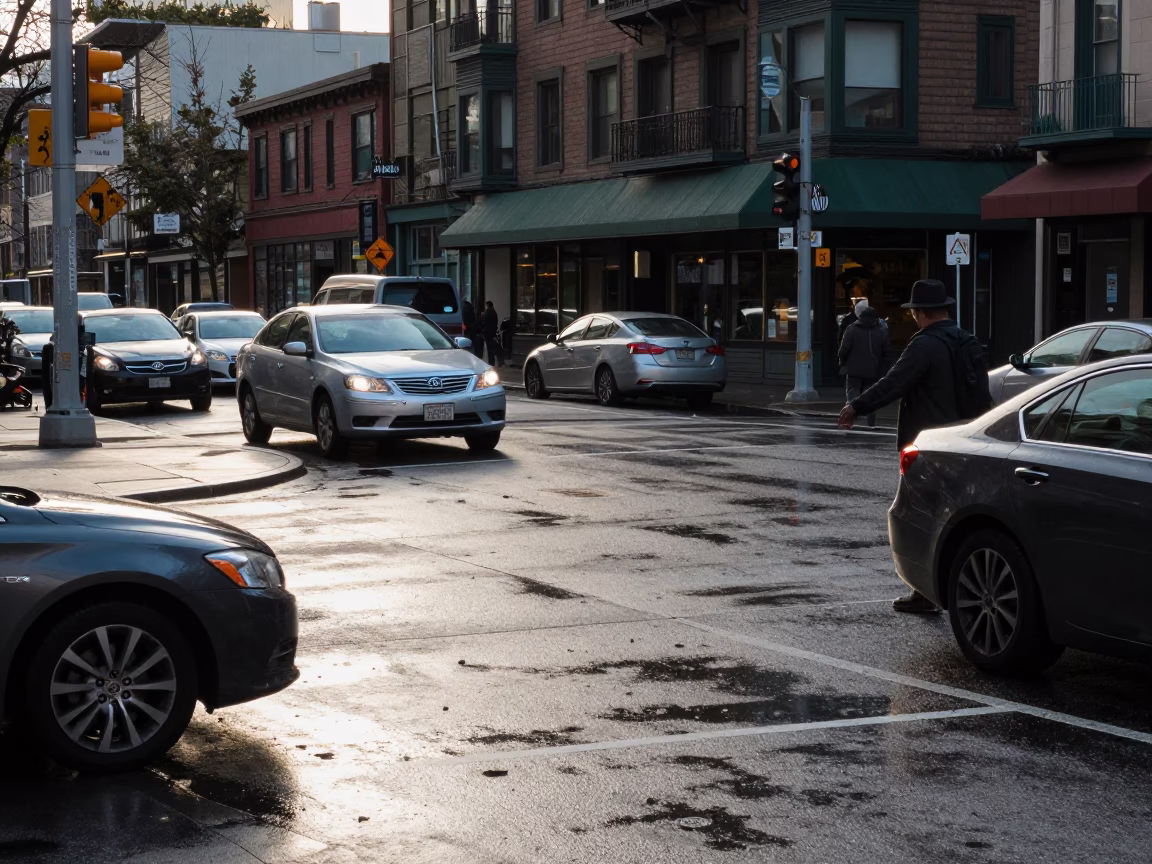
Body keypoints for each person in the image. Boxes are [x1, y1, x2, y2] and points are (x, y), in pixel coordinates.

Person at [837, 279, 992, 614]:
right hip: (967, 443)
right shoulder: (968, 342)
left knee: (920, 518)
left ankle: (924, 593)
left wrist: (856, 406)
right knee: (961, 517)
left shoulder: (924, 345)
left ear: (919, 313)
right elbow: (983, 394)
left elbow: (894, 383)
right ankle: (971, 588)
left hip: (928, 446)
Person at [838, 300, 892, 428]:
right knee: (870, 397)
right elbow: (887, 353)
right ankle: (871, 423)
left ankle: (847, 420)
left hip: (853, 370)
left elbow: (844, 349)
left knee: (852, 395)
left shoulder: (851, 329)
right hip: (873, 371)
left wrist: (842, 362)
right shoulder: (880, 331)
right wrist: (884, 369)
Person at [481, 300, 504, 367]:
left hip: (488, 333)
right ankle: (494, 362)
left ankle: (491, 362)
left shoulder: (487, 312)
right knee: (493, 347)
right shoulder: (494, 312)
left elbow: (482, 320)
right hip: (493, 333)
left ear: (487, 306)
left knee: (490, 348)